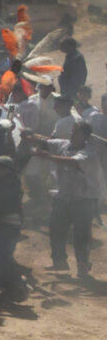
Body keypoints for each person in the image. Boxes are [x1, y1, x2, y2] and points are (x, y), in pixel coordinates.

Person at [37, 119, 106, 280]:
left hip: (84, 199)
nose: (71, 134)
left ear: (84, 136)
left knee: (81, 235)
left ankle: (82, 267)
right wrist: (31, 137)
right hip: (64, 195)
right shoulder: (64, 144)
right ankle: (59, 261)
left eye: (75, 132)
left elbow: (74, 162)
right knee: (56, 229)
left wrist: (49, 157)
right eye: (72, 131)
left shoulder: (89, 153)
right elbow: (46, 142)